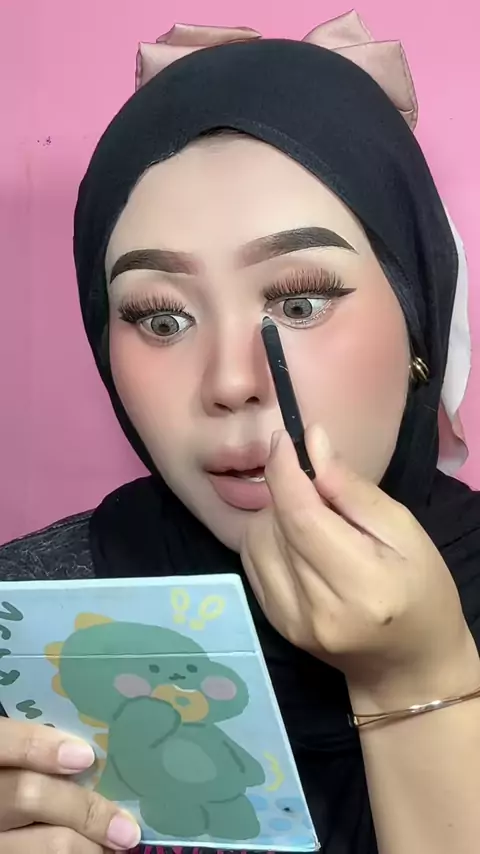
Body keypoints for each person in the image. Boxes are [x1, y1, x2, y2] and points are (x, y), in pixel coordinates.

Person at [1, 11, 479, 854]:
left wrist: (418, 684)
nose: (229, 382)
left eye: (299, 302)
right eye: (160, 318)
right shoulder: (25, 619)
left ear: (421, 320)